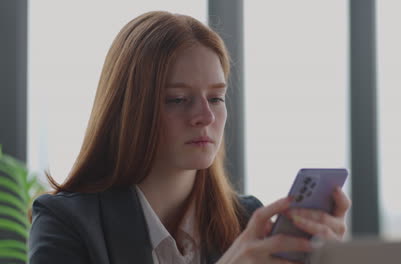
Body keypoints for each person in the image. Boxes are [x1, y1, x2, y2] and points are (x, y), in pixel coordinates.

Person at [28, 11, 351, 264]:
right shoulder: (66, 223)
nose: (205, 117)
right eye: (178, 99)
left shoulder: (248, 221)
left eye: (215, 98)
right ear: (128, 110)